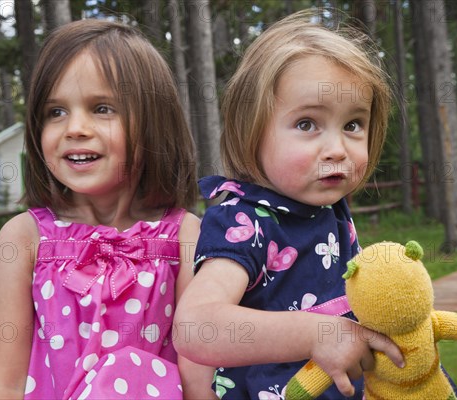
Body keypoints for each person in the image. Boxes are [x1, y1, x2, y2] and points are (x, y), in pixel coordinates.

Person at [173, 10, 405, 399]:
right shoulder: (244, 222)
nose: (336, 149)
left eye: (352, 125)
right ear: (252, 131)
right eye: (306, 124)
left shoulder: (328, 211)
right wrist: (318, 334)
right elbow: (196, 327)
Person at [0, 19, 215, 399]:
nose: (75, 128)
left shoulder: (185, 236)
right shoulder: (25, 239)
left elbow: (197, 379)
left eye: (102, 108)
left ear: (154, 122)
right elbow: (4, 381)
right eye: (55, 112)